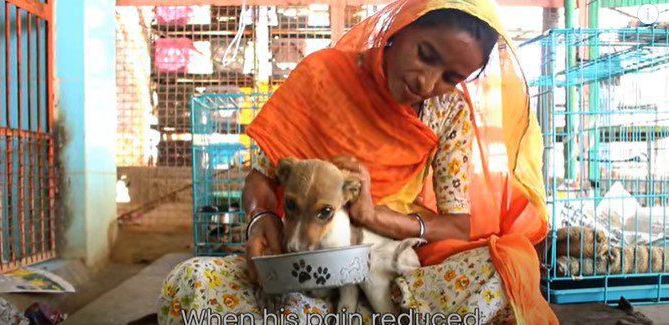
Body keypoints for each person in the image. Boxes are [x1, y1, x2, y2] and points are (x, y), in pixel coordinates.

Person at [159, 0, 557, 324]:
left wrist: (373, 215)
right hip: (302, 261)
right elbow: (261, 177)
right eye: (425, 55)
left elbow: (456, 223)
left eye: (450, 77)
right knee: (193, 282)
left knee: (504, 270)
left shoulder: (449, 112)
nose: (426, 82)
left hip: (391, 265)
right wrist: (261, 220)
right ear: (400, 29)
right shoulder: (323, 76)